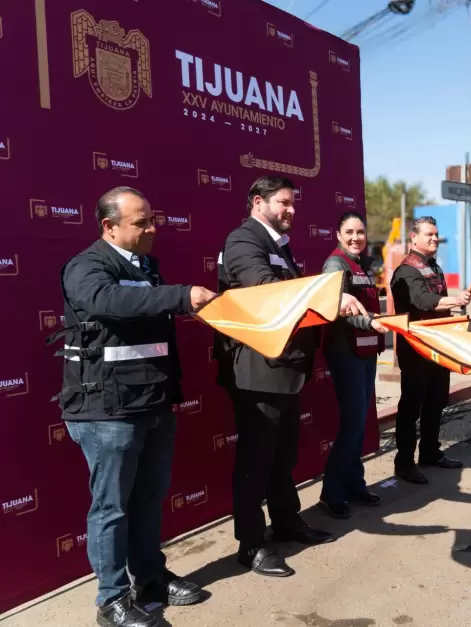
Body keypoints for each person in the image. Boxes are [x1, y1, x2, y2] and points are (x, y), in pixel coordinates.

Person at [48, 187, 214, 627]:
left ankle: (151, 579)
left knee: (148, 500)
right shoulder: (86, 267)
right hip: (107, 410)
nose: (152, 230)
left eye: (152, 220)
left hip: (151, 402)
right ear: (110, 227)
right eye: (141, 223)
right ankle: (111, 599)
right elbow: (108, 302)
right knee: (111, 508)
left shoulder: (145, 268)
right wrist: (180, 298)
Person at [213, 176, 368, 578]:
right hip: (255, 370)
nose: (291, 211)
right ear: (257, 202)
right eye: (283, 203)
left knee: (282, 458)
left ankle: (286, 521)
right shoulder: (244, 241)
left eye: (293, 204)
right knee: (255, 462)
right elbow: (266, 291)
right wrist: (329, 294)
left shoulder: (277, 245)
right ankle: (251, 544)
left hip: (283, 368)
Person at [390, 216, 470, 484]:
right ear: (414, 238)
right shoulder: (407, 270)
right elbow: (423, 301)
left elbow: (439, 302)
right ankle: (404, 462)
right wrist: (453, 300)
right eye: (428, 235)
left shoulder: (432, 266)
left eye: (436, 234)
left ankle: (430, 453)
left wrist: (455, 302)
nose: (434, 238)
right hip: (415, 349)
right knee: (412, 406)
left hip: (438, 347)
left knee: (436, 401)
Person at [317, 212, 388, 519]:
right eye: (349, 232)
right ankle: (331, 492)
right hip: (345, 351)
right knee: (353, 423)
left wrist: (373, 323)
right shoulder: (336, 264)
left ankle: (355, 484)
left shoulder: (361, 263)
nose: (356, 237)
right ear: (337, 234)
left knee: (359, 424)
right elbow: (338, 309)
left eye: (360, 232)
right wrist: (371, 321)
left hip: (365, 350)